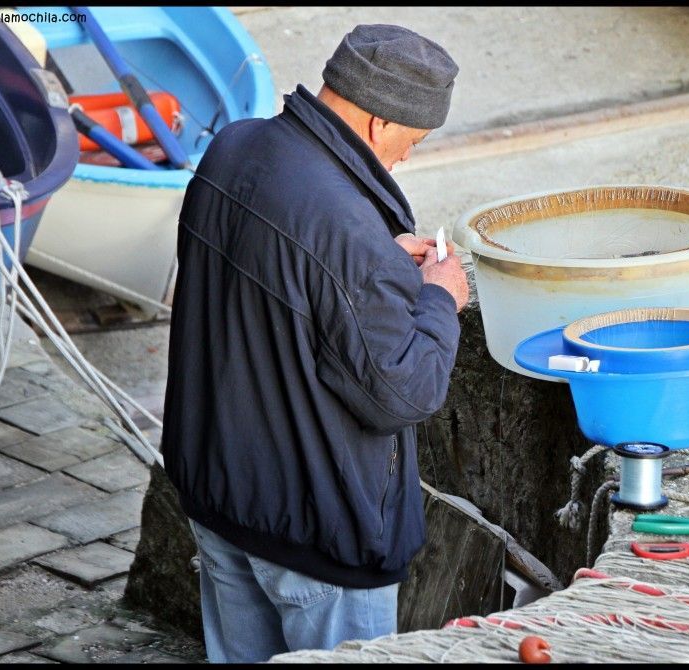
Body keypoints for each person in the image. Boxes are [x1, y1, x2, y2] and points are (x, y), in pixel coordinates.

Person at [160, 23, 468, 663]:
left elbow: (282, 279)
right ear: (383, 123)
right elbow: (401, 393)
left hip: (220, 501)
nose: (408, 157)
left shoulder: (233, 149)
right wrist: (441, 298)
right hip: (317, 539)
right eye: (414, 139)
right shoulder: (348, 231)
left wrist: (377, 264)